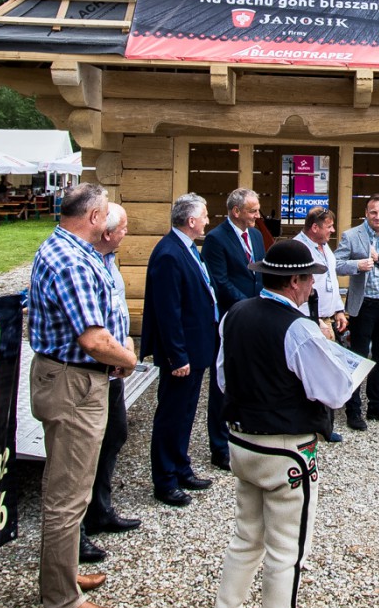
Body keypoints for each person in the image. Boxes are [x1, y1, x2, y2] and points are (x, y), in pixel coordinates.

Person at [202, 240, 355, 608]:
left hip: (242, 442)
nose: (312, 287)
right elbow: (334, 391)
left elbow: (226, 378)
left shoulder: (235, 315)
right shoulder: (299, 329)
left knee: (245, 540)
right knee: (286, 551)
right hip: (285, 449)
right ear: (294, 281)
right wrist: (327, 347)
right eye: (309, 279)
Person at [26, 183, 136, 608]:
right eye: (106, 213)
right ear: (92, 217)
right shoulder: (72, 260)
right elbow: (92, 340)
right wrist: (128, 358)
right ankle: (62, 601)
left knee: (70, 488)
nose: (111, 222)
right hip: (74, 384)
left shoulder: (65, 247)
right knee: (67, 496)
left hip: (72, 380)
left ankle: (64, 575)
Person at [142, 193, 221, 507]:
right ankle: (164, 480)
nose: (207, 221)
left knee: (186, 412)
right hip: (182, 353)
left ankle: (180, 466)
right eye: (203, 216)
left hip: (198, 345)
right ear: (191, 221)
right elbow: (168, 311)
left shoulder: (188, 248)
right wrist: (177, 355)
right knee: (171, 414)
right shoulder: (169, 254)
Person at [81, 203, 142, 558]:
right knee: (86, 447)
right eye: (124, 228)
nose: (127, 233)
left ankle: (100, 509)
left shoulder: (109, 261)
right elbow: (89, 332)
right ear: (107, 233)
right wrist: (123, 356)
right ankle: (78, 526)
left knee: (115, 433)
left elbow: (115, 308)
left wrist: (126, 346)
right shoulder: (84, 264)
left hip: (115, 366)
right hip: (92, 370)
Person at [203, 188, 268, 469]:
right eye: (252, 211)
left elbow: (261, 273)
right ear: (236, 211)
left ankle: (247, 432)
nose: (257, 215)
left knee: (251, 376)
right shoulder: (216, 239)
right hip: (230, 318)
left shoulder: (255, 235)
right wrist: (248, 305)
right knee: (222, 380)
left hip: (254, 315)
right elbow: (219, 281)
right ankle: (219, 447)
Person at [335, 194, 379, 426]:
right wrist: (357, 265)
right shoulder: (351, 235)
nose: (378, 217)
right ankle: (353, 410)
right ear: (366, 213)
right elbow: (335, 263)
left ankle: (375, 405)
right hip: (362, 305)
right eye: (373, 212)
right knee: (357, 357)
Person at [295, 206, 347, 442]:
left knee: (328, 372)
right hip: (308, 319)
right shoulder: (300, 249)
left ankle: (326, 426)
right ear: (314, 227)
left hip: (327, 318)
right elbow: (300, 290)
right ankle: (308, 424)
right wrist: (316, 321)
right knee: (309, 375)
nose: (333, 231)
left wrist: (338, 310)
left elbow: (332, 281)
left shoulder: (326, 248)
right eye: (329, 226)